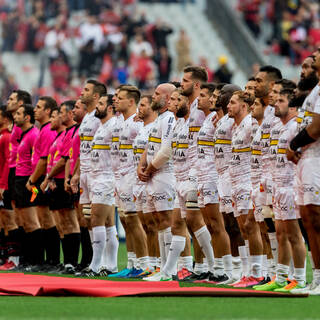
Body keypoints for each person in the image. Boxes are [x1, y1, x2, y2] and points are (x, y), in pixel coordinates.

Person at [255, 90, 307, 292]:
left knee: (294, 235)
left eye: (281, 101)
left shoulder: (296, 127)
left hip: (290, 186)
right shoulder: (284, 127)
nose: (275, 104)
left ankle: (300, 279)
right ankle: (282, 277)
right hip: (278, 185)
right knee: (281, 233)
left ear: (293, 107)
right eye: (275, 100)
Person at [287, 47, 320, 294]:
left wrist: (293, 144)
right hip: (305, 158)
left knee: (316, 219)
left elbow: (317, 127)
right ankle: (316, 277)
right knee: (308, 220)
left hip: (315, 157)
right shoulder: (315, 90)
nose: (314, 57)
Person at [138, 83, 176, 279]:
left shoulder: (169, 118)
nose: (153, 96)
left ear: (168, 98)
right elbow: (151, 146)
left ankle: (170, 269)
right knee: (159, 222)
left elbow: (166, 150)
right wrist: (141, 165)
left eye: (157, 94)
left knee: (167, 221)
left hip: (164, 174)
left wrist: (150, 168)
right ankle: (163, 267)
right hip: (154, 175)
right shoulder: (160, 119)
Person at [78, 94, 119, 276]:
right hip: (95, 177)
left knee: (96, 220)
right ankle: (110, 266)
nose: (97, 107)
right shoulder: (102, 127)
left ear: (110, 108)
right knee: (108, 223)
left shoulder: (114, 126)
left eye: (101, 104)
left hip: (106, 177)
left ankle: (95, 266)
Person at [227, 91, 265, 288]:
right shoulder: (236, 127)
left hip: (248, 182)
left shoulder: (252, 124)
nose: (228, 106)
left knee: (251, 226)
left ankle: (258, 273)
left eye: (232, 103)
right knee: (242, 227)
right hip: (236, 183)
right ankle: (247, 272)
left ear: (243, 106)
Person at [197, 83, 233, 283]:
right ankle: (215, 268)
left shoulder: (226, 121)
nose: (211, 99)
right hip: (203, 176)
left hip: (214, 176)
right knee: (210, 225)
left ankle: (226, 270)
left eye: (214, 96)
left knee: (219, 225)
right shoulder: (210, 119)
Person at [41, 101, 81, 274]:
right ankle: (66, 262)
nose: (55, 118)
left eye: (58, 114)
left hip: (63, 180)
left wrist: (54, 177)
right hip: (58, 181)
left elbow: (65, 159)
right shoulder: (65, 134)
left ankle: (72, 261)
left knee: (70, 222)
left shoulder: (72, 132)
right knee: (62, 224)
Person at [116, 85, 149, 277]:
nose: (116, 100)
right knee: (126, 221)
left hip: (133, 177)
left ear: (131, 101)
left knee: (134, 221)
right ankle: (132, 263)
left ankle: (143, 264)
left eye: (120, 98)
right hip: (122, 177)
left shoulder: (138, 123)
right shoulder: (124, 121)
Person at [75, 80, 107, 273]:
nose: (82, 92)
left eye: (86, 90)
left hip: (99, 173)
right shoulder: (87, 117)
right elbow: (83, 149)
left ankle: (100, 263)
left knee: (98, 219)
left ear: (96, 96)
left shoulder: (100, 117)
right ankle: (93, 261)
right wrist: (77, 173)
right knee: (86, 219)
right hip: (85, 173)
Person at [26, 96, 59, 271]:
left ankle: (52, 261)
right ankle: (48, 260)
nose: (35, 110)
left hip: (41, 180)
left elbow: (44, 159)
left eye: (38, 107)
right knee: (43, 218)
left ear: (47, 111)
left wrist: (33, 179)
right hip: (39, 179)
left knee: (46, 218)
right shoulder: (43, 130)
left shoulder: (47, 131)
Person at [1, 90, 32, 270]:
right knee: (13, 216)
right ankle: (16, 258)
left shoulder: (24, 129)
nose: (8, 101)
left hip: (22, 176)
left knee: (22, 217)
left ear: (21, 103)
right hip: (14, 175)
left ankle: (21, 258)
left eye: (12, 99)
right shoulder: (13, 128)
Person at [132, 95, 158, 278]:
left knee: (153, 223)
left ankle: (158, 264)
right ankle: (150, 264)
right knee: (146, 224)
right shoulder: (142, 128)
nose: (138, 108)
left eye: (142, 105)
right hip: (138, 181)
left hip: (151, 179)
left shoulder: (154, 127)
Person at [13, 104, 40, 268]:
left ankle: (36, 260)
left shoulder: (33, 135)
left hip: (28, 181)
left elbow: (36, 161)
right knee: (23, 221)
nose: (15, 116)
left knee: (32, 221)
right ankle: (27, 260)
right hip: (20, 179)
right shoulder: (24, 135)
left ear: (27, 117)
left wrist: (32, 182)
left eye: (18, 114)